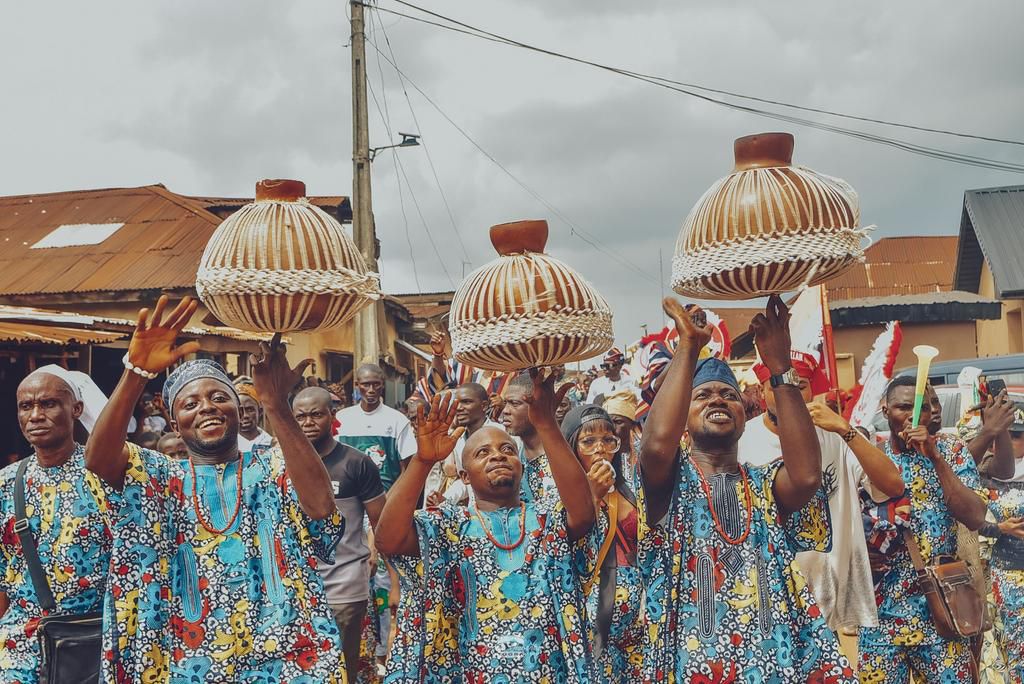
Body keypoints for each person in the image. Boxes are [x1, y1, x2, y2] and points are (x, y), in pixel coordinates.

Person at [84, 296, 344, 683]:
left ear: (239, 411)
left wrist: (275, 404)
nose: (206, 407)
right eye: (190, 403)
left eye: (220, 398)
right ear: (174, 423)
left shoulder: (273, 465)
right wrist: (136, 373)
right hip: (184, 661)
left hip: (284, 657)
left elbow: (322, 507)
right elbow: (98, 459)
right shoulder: (159, 477)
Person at [638, 295, 853, 681]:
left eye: (729, 395)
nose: (718, 399)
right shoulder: (670, 484)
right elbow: (654, 446)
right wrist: (688, 346)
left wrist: (780, 369)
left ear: (743, 413)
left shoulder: (763, 485)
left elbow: (806, 477)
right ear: (682, 415)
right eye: (702, 395)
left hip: (772, 668)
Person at [375, 371, 601, 682]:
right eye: (483, 453)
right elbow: (388, 539)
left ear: (521, 466)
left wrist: (547, 424)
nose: (498, 456)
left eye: (507, 450)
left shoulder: (546, 518)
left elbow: (584, 514)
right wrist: (423, 461)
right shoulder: (449, 526)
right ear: (465, 477)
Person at [739, 351, 905, 636]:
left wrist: (845, 429)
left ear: (812, 391)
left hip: (827, 598)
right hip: (764, 594)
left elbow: (893, 486)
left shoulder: (835, 436)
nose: (789, 395)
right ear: (762, 392)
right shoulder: (743, 440)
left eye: (799, 386)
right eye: (777, 386)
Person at [857, 375, 989, 682]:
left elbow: (974, 516)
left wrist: (935, 457)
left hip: (943, 609)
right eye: (904, 407)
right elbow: (844, 520)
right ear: (885, 410)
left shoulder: (952, 450)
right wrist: (860, 552)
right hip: (882, 613)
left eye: (922, 408)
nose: (913, 416)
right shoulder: (873, 459)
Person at [0, 366, 112, 683]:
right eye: (26, 406)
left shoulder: (104, 475)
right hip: (20, 648)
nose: (36, 415)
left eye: (48, 404)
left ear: (76, 409)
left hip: (93, 643)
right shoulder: (6, 483)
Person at [294, 386, 386, 684]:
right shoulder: (280, 464)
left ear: (332, 416)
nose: (308, 423)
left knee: (344, 669)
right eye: (300, 417)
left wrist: (378, 556)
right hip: (297, 591)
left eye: (316, 415)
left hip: (344, 588)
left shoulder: (356, 463)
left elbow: (381, 521)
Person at [335, 363, 416, 671]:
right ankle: (355, 654)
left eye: (376, 384)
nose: (370, 390)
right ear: (356, 385)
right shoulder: (343, 419)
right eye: (365, 384)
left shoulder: (396, 421)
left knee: (384, 582)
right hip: (348, 513)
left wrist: (391, 502)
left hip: (383, 512)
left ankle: (383, 654)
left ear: (383, 385)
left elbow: (408, 468)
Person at [563, 403, 643, 682]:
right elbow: (570, 550)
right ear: (572, 448)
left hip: (637, 631)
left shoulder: (632, 488)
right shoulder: (558, 496)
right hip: (591, 632)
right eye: (588, 442)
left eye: (608, 440)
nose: (600, 449)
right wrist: (592, 496)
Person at [428, 383, 505, 506]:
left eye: (466, 402)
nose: (459, 408)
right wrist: (445, 499)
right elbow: (466, 481)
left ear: (484, 406)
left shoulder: (501, 434)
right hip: (475, 512)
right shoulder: (458, 440)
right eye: (457, 402)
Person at [501, 373, 555, 502]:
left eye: (514, 403)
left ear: (538, 406)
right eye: (505, 403)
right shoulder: (511, 457)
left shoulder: (560, 458)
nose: (505, 410)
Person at [235, 383, 273, 454]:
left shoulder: (270, 443)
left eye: (250, 410)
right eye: (239, 410)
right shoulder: (227, 445)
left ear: (260, 411)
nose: (245, 415)